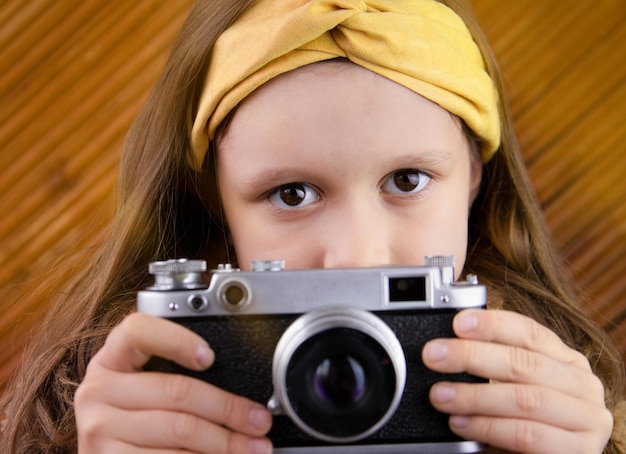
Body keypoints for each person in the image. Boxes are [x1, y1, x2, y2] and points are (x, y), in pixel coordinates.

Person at [1, 0, 625, 452]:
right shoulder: (131, 406)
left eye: (407, 181)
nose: (356, 254)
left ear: (475, 181)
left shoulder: (565, 415)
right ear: (216, 208)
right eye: (292, 193)